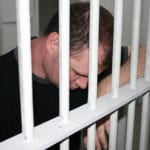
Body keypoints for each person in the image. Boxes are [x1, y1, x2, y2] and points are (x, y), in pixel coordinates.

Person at [0, 2, 145, 150]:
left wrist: (106, 89)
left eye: (94, 76)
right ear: (54, 43)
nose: (84, 85)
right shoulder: (5, 82)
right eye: (77, 73)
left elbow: (145, 53)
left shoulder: (89, 61)